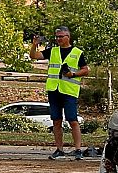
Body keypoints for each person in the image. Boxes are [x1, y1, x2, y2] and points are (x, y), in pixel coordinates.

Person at [37, 26, 88, 160]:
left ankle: (78, 150)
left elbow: (85, 70)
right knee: (56, 121)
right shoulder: (52, 51)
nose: (58, 39)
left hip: (69, 91)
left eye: (61, 36)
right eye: (57, 37)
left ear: (68, 37)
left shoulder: (77, 52)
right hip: (54, 90)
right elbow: (34, 56)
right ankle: (59, 150)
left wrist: (73, 74)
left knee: (73, 120)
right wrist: (34, 45)